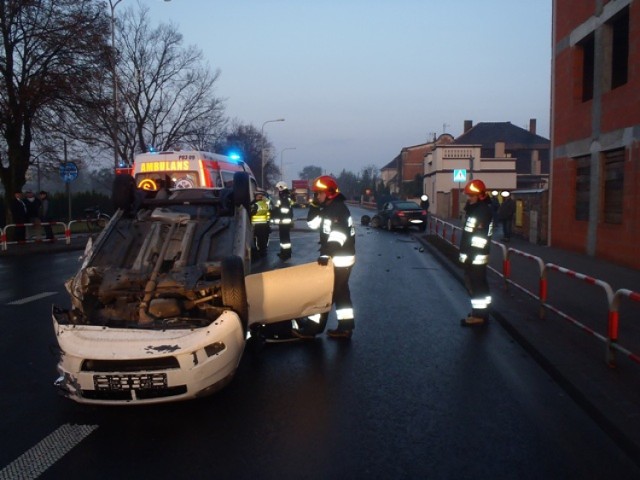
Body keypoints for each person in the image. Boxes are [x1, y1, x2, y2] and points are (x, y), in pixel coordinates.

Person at [292, 175, 356, 339]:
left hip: (339, 258)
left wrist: (327, 253)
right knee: (341, 292)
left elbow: (338, 235)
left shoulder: (337, 210)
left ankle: (313, 328)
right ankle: (346, 326)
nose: (316, 196)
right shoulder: (328, 209)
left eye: (318, 194)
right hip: (339, 257)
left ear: (329, 193)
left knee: (325, 293)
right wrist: (313, 206)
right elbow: (312, 224)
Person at [458, 179, 493, 327]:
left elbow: (479, 238)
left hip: (476, 256)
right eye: (468, 195)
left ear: (481, 196)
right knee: (478, 285)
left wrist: (470, 256)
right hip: (474, 255)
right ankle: (480, 313)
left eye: (472, 196)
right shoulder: (477, 210)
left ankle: (479, 316)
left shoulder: (482, 212)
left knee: (477, 285)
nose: (469, 198)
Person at [271, 181, 294, 260]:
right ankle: (284, 252)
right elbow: (278, 207)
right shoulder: (285, 196)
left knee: (285, 239)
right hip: (284, 221)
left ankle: (286, 254)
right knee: (284, 238)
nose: (277, 190)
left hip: (284, 221)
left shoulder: (284, 197)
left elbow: (284, 210)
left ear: (281, 188)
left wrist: (275, 213)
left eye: (278, 188)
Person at [250, 191, 271, 258]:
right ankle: (263, 252)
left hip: (257, 225)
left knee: (257, 239)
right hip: (264, 224)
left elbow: (251, 213)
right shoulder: (265, 204)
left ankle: (258, 253)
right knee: (263, 239)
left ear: (256, 197)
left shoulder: (256, 205)